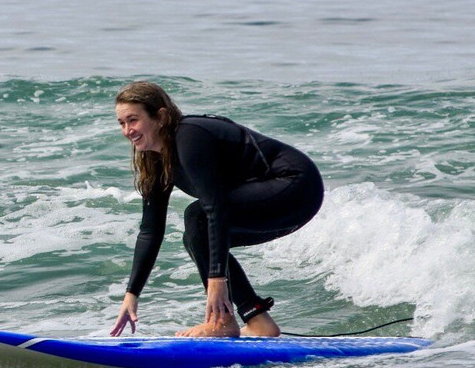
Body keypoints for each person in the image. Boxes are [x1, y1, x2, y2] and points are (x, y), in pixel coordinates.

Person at [111, 81, 323, 338]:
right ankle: (257, 320)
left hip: (296, 187)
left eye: (133, 120)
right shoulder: (155, 160)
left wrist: (217, 280)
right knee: (196, 236)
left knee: (198, 217)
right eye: (122, 123)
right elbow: (150, 231)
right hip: (286, 200)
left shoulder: (189, 136)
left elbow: (216, 208)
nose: (127, 131)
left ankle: (222, 321)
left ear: (161, 117)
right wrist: (132, 294)